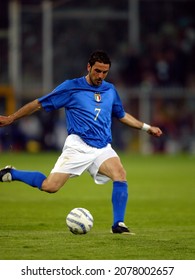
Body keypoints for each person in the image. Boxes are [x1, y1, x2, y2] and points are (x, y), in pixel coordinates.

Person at [0, 50, 162, 234]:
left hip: (102, 147)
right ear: (89, 67)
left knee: (120, 173)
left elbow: (122, 115)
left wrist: (146, 128)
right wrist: (11, 118)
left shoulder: (110, 90)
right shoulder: (71, 87)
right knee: (49, 186)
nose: (100, 76)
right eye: (97, 71)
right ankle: (12, 173)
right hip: (78, 145)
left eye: (104, 72)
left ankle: (118, 225)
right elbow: (38, 103)